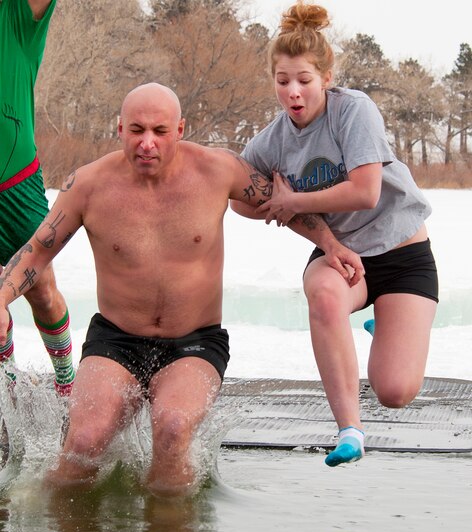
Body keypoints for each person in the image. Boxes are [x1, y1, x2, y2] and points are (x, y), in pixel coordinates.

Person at [0, 83, 364, 495]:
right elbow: (35, 254)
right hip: (116, 340)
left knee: (172, 431)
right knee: (83, 442)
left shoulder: (217, 170)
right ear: (119, 128)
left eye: (160, 130)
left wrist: (331, 245)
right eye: (136, 130)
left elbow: (281, 204)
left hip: (195, 342)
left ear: (180, 130)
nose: (147, 143)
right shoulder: (88, 184)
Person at [231, 1, 438, 467]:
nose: (293, 92)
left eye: (304, 80)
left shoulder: (354, 111)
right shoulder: (272, 140)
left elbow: (365, 192)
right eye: (283, 81)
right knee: (324, 295)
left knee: (395, 391)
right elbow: (238, 197)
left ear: (325, 77)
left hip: (404, 254)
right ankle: (350, 430)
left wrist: (293, 203)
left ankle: (385, 325)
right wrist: (267, 200)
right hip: (343, 257)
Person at [0, 0, 75, 395]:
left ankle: (67, 383)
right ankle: (7, 391)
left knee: (41, 289)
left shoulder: (13, 15)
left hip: (16, 182)